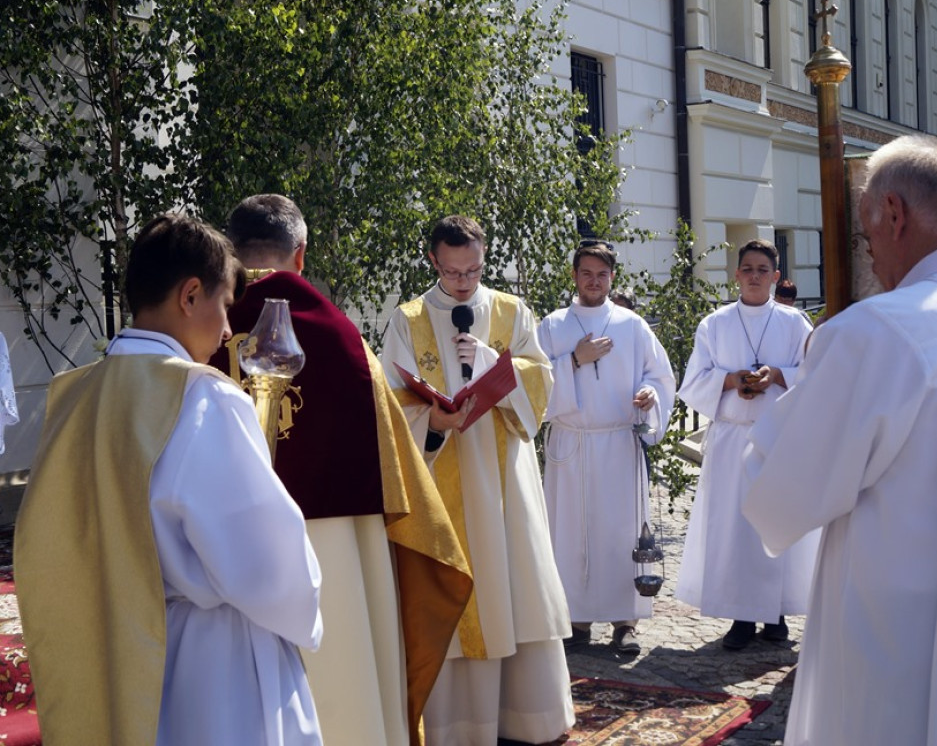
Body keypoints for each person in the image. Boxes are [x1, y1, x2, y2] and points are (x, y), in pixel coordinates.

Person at [743, 135, 937, 746]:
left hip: (909, 649)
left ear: (893, 214)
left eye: (868, 239)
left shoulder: (876, 333)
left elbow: (777, 498)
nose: (872, 258)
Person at [15, 214, 323, 745]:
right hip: (212, 660)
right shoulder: (203, 398)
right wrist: (307, 600)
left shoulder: (73, 397)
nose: (228, 330)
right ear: (190, 295)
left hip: (111, 647)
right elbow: (266, 563)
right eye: (225, 307)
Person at [210, 194, 472, 746]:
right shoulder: (340, 336)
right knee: (344, 674)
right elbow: (394, 460)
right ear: (301, 255)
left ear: (230, 250)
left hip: (222, 545)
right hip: (332, 545)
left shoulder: (202, 325)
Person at [380, 214, 574, 745]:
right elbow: (390, 406)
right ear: (432, 262)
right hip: (441, 477)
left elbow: (540, 384)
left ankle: (525, 718)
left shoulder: (510, 311)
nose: (464, 281)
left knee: (513, 587)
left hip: (504, 479)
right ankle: (453, 726)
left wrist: (491, 362)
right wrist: (433, 423)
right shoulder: (409, 319)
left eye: (473, 270)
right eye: (453, 271)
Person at [674, 239, 817, 650]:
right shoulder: (714, 324)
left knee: (774, 523)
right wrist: (731, 380)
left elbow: (816, 372)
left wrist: (777, 374)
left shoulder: (794, 324)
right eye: (747, 268)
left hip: (777, 440)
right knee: (735, 529)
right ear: (736, 275)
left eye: (762, 270)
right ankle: (740, 615)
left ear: (775, 277)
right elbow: (693, 382)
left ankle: (776, 616)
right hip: (731, 439)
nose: (754, 276)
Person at [538, 241, 675, 654]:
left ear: (612, 277)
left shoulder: (632, 325)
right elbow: (533, 383)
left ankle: (626, 622)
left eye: (601, 274)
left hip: (617, 443)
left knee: (621, 533)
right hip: (572, 445)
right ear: (575, 276)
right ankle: (574, 620)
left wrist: (650, 393)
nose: (594, 281)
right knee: (570, 533)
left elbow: (660, 376)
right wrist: (573, 361)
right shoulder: (553, 325)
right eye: (586, 273)